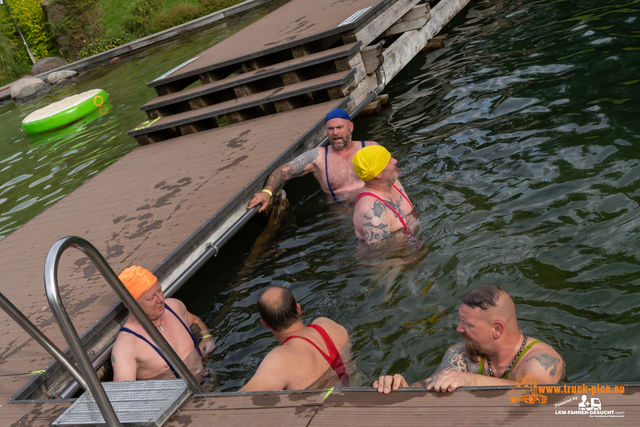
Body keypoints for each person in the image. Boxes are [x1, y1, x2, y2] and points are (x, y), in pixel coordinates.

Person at [374, 285, 565, 393]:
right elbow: (431, 385)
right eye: (460, 321)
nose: (459, 329)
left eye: (468, 325)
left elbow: (535, 393)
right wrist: (402, 387)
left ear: (496, 329)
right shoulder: (463, 353)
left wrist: (470, 380)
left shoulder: (542, 359)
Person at [247, 108, 378, 211]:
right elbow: (282, 171)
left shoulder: (371, 148)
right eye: (330, 129)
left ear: (350, 127)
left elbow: (393, 174)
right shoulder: (318, 157)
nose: (335, 133)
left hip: (375, 205)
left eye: (339, 127)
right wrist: (266, 192)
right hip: (342, 216)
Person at [111, 265, 215, 381]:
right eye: (151, 298)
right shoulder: (126, 346)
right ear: (130, 304)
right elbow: (125, 392)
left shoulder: (174, 307)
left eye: (160, 291)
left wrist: (206, 337)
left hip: (208, 380)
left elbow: (194, 320)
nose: (161, 299)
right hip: (181, 398)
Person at [239, 285, 351, 391]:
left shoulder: (280, 359)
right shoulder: (328, 325)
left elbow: (240, 402)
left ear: (264, 323)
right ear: (298, 308)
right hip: (358, 393)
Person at [352, 145, 414, 244]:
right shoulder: (372, 212)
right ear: (378, 173)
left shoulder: (393, 182)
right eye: (389, 161)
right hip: (404, 257)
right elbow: (383, 256)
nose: (395, 161)